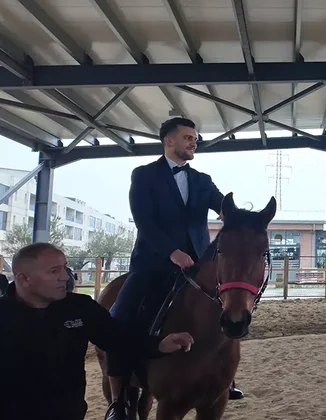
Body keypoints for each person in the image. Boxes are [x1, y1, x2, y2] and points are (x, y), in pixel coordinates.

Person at [106, 117, 242, 419]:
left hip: (196, 265)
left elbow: (222, 205)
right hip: (152, 263)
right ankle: (118, 398)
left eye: (195, 138)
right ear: (170, 141)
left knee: (226, 311)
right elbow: (145, 222)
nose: (194, 142)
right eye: (188, 137)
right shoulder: (144, 176)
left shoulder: (202, 181)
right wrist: (171, 252)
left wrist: (237, 216)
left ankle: (225, 380)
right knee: (119, 317)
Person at [0, 243, 194, 420]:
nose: (66, 277)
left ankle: (119, 404)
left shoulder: (80, 308)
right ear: (24, 279)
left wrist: (159, 344)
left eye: (65, 267)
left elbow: (117, 339)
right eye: (54, 271)